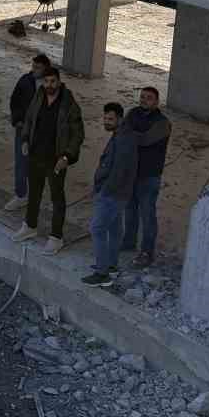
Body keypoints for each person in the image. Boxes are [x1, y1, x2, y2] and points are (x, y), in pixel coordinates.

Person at [12, 67, 83, 253]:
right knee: (34, 192)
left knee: (57, 198)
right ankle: (30, 226)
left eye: (52, 81)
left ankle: (56, 237)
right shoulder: (39, 96)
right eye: (46, 82)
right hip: (36, 154)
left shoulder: (68, 103)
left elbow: (77, 134)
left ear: (58, 81)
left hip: (56, 159)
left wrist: (67, 156)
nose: (49, 85)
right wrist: (26, 139)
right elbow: (29, 119)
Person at [83, 103, 138, 284]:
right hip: (118, 193)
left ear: (120, 119)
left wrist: (103, 192)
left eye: (110, 119)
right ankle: (111, 266)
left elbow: (119, 171)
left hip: (113, 193)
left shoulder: (123, 138)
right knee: (114, 229)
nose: (106, 122)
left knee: (97, 229)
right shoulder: (122, 134)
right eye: (105, 118)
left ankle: (102, 273)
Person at [119, 86, 171, 267]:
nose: (144, 100)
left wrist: (129, 134)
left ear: (156, 102)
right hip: (131, 172)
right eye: (142, 97)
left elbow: (145, 139)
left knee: (148, 214)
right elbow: (122, 132)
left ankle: (147, 252)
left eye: (149, 98)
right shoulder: (133, 113)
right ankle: (128, 242)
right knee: (130, 210)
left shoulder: (163, 123)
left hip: (149, 176)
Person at [3, 55, 51, 212]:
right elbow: (14, 101)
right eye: (33, 66)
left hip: (42, 133)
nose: (34, 70)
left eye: (38, 67)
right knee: (21, 162)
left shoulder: (51, 84)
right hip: (23, 129)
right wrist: (17, 120)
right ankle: (21, 195)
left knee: (39, 166)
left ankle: (37, 196)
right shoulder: (25, 80)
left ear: (45, 68)